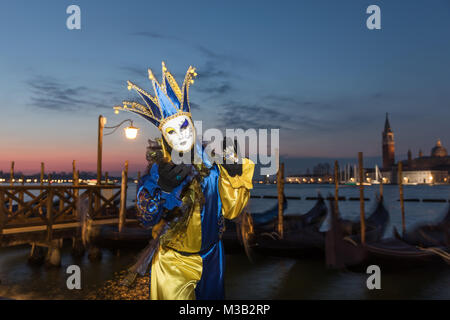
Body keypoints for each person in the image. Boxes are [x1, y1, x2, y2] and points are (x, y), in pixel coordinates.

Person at [114, 62, 254, 300]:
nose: (181, 135)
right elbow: (147, 218)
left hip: (212, 258)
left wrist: (234, 172)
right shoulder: (158, 173)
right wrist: (165, 191)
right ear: (164, 137)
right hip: (173, 264)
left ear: (192, 124)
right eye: (171, 131)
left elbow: (232, 211)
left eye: (184, 126)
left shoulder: (212, 166)